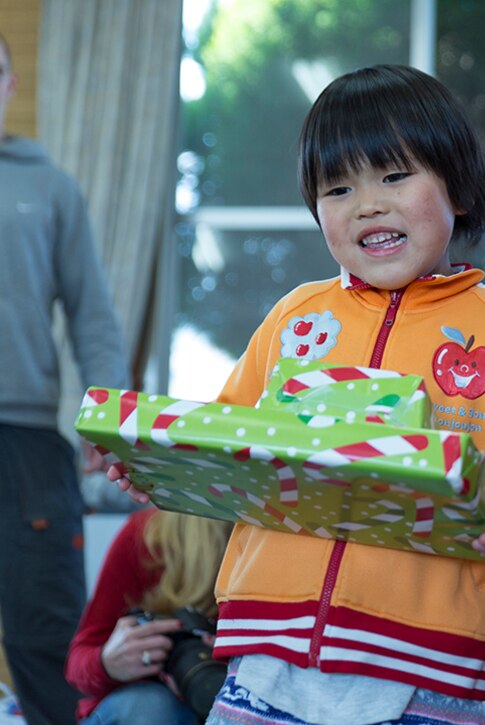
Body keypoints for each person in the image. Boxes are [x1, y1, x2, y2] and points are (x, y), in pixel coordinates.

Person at [116, 64, 485, 725]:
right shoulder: (294, 318)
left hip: (426, 674)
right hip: (267, 659)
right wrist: (162, 463)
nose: (367, 203)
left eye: (395, 175)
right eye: (338, 187)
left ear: (458, 188)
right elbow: (226, 442)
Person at [0, 30, 128, 725]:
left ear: (9, 86)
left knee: (45, 638)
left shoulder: (50, 187)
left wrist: (104, 416)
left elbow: (95, 318)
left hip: (26, 443)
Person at [65, 510, 232, 724]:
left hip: (241, 705)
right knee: (151, 707)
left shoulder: (281, 543)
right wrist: (107, 662)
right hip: (151, 705)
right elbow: (77, 664)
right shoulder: (150, 535)